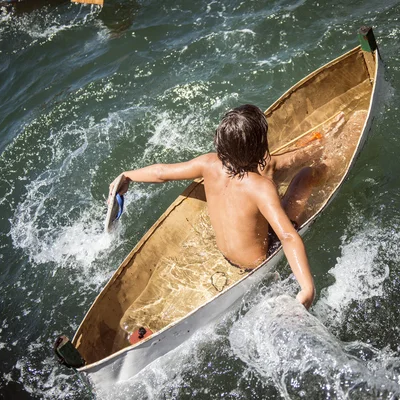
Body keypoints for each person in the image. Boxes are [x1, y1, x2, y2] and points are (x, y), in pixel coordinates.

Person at [109, 104, 335, 309]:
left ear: (221, 144)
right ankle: (332, 162)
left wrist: (127, 176)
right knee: (305, 176)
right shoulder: (260, 187)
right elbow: (287, 236)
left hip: (227, 255)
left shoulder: (208, 163)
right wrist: (307, 288)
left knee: (268, 186)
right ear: (261, 149)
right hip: (261, 258)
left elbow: (161, 173)